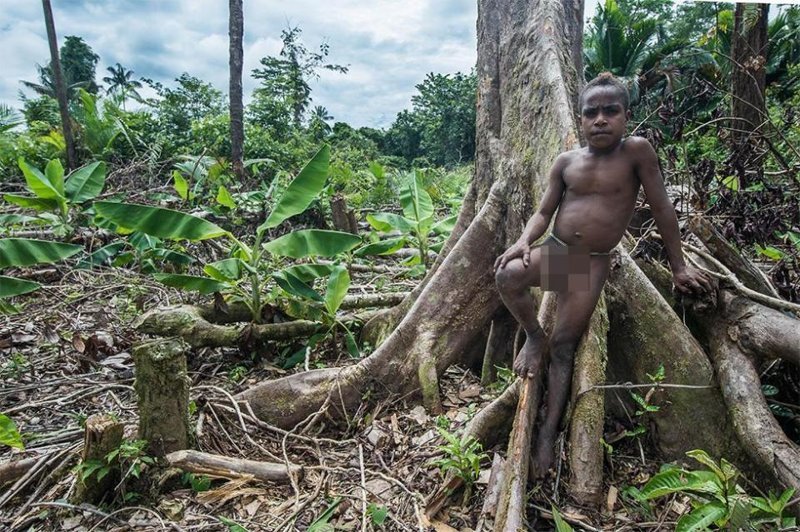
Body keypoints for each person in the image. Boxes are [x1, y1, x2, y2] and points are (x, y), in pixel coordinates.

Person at [493, 72, 711, 478]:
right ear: (579, 120)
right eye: (591, 112)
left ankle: (545, 437)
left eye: (610, 111)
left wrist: (679, 266)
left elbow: (663, 209)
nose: (600, 120)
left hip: (591, 262)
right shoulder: (567, 162)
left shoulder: (636, 153)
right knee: (507, 276)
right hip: (557, 253)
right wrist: (524, 241)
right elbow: (544, 212)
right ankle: (532, 336)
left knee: (564, 348)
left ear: (626, 116)